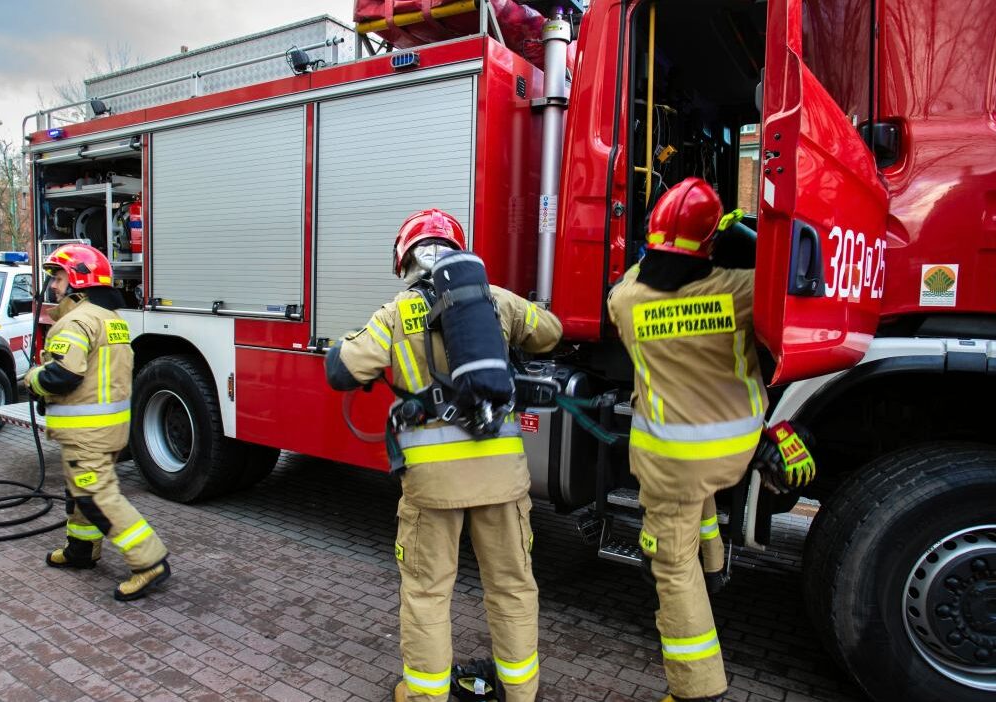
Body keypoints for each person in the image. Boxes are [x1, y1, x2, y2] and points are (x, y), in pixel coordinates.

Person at [325, 209, 562, 702]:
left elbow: (342, 371)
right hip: (503, 478)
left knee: (428, 592)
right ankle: (521, 694)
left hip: (433, 485)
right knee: (513, 587)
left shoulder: (397, 312)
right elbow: (551, 332)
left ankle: (426, 696)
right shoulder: (495, 300)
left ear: (405, 257)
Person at [607, 178, 766, 702]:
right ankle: (716, 565)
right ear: (710, 245)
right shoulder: (740, 291)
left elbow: (631, 278)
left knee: (670, 564)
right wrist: (736, 234)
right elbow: (776, 273)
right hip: (736, 450)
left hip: (671, 460)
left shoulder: (627, 300)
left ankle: (697, 689)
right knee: (698, 496)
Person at [23, 243, 170, 601]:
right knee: (79, 492)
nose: (52, 286)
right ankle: (81, 550)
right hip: (107, 428)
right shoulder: (111, 320)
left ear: (77, 281)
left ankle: (149, 561)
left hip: (86, 432)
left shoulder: (75, 321)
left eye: (57, 277)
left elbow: (63, 375)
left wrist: (31, 380)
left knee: (94, 494)